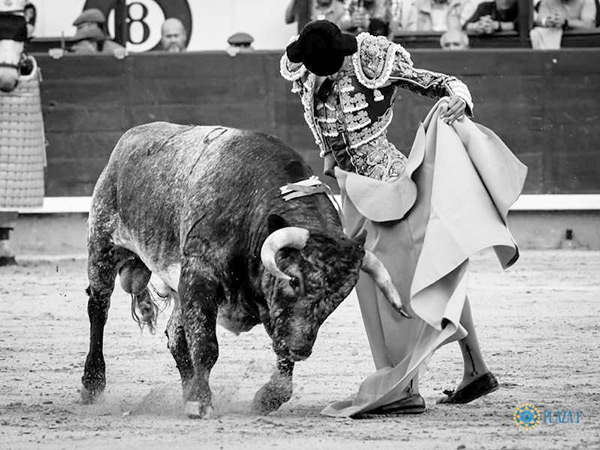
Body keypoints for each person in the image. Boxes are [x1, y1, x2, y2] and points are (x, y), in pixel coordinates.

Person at [280, 20, 526, 417]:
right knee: (401, 274)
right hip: (354, 192)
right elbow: (328, 142)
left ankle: (408, 385)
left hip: (389, 186)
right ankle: (471, 369)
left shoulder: (370, 60)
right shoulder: (305, 63)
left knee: (413, 274)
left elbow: (440, 83)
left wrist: (459, 99)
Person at [530, 0, 597, 48]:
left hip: (581, 43)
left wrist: (566, 22)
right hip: (552, 40)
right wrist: (546, 22)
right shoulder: (547, 1)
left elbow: (589, 25)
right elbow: (539, 20)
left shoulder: (587, 1)